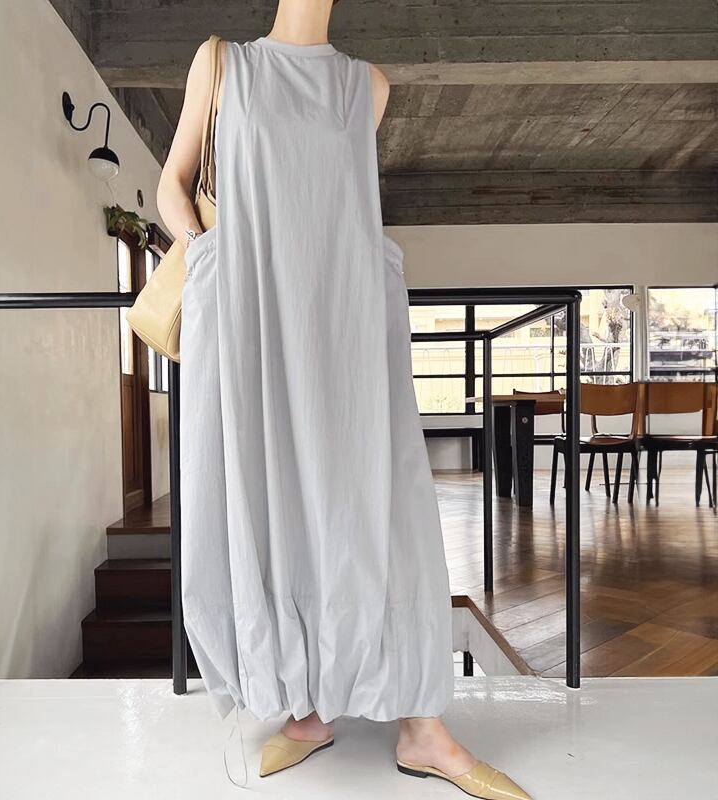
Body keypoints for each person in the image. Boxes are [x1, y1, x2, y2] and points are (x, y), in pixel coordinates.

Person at [156, 2, 531, 798]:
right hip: (255, 321)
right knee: (281, 505)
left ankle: (422, 729)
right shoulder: (224, 64)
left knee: (381, 509)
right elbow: (172, 186)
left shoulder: (369, 87)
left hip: (346, 328)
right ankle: (309, 709)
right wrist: (210, 257)